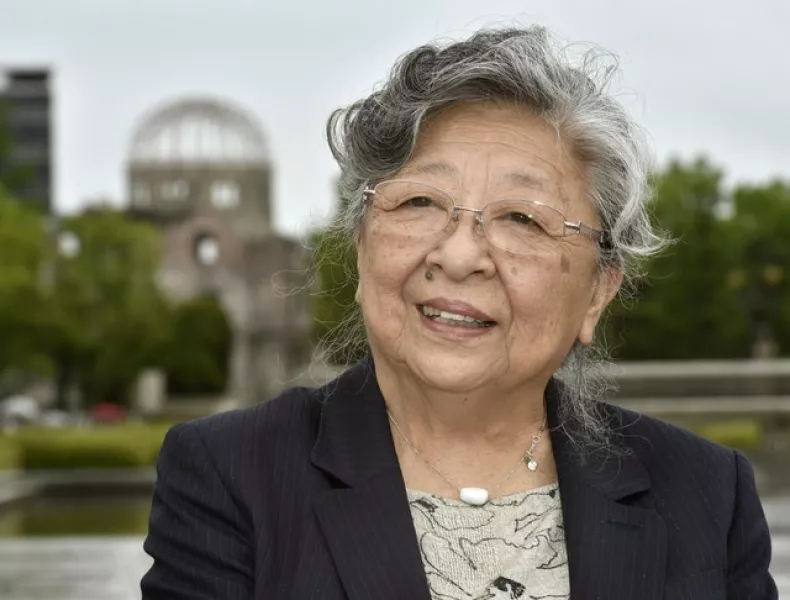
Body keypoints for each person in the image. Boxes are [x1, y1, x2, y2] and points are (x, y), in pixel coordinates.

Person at [140, 26, 777, 600]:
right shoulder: (230, 475)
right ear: (362, 246)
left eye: (523, 218)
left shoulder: (705, 492)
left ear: (598, 293)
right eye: (419, 202)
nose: (461, 253)